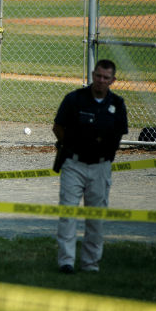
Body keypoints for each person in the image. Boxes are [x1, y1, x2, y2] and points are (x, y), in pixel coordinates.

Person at [52, 59, 128, 274]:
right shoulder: (74, 99)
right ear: (93, 75)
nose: (101, 81)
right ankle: (66, 262)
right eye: (98, 76)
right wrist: (71, 144)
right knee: (68, 213)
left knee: (96, 218)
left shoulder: (118, 104)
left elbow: (119, 133)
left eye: (106, 78)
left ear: (113, 80)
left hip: (100, 166)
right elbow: (57, 127)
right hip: (73, 164)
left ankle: (90, 263)